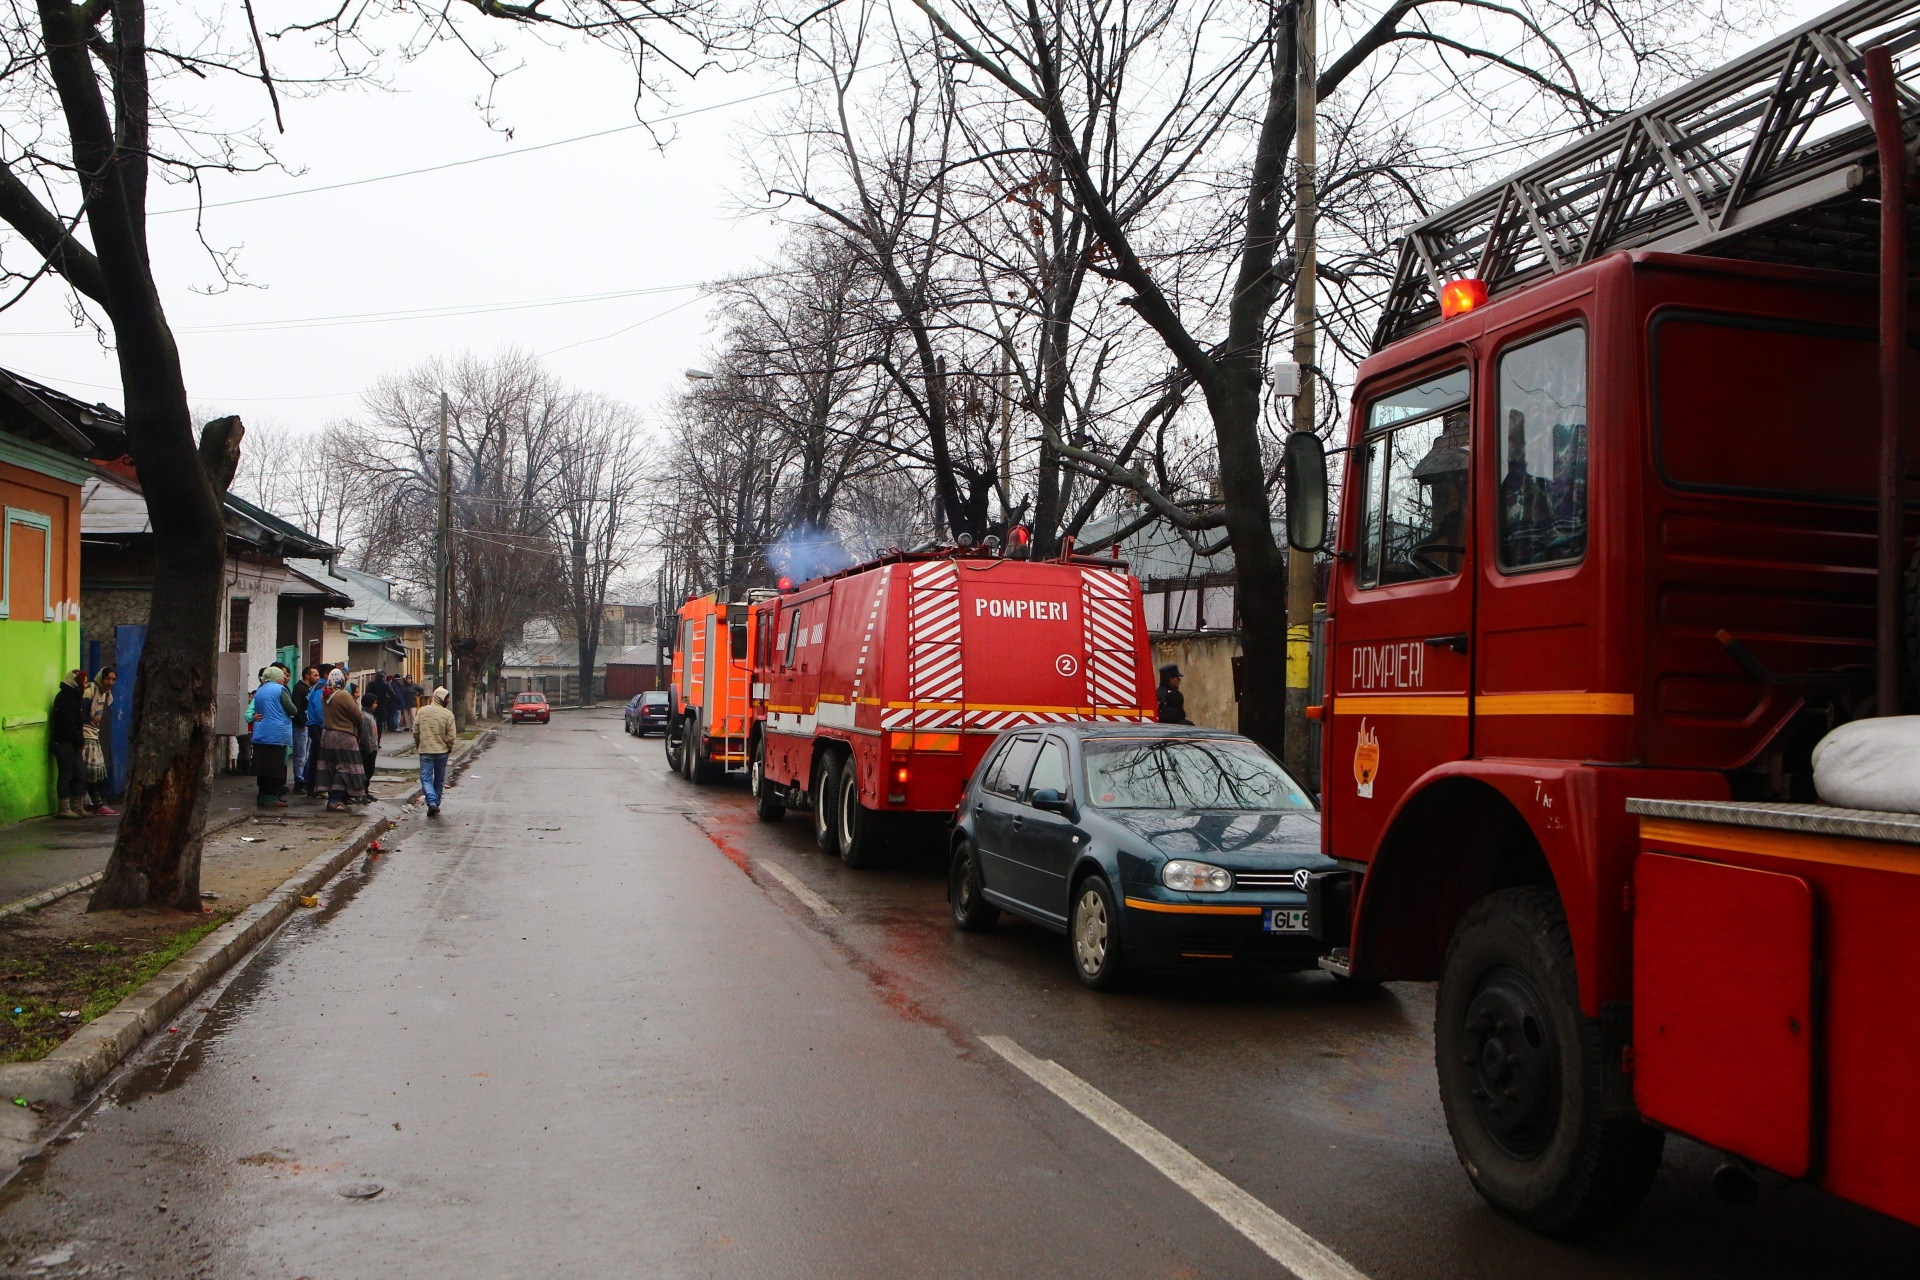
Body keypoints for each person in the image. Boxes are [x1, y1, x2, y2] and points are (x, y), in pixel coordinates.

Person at [313, 670, 369, 812]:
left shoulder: (325, 695)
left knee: (330, 767)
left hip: (327, 735)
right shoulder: (343, 695)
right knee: (345, 768)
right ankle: (335, 800)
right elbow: (357, 715)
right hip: (344, 736)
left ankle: (336, 797)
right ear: (342, 681)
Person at [247, 666, 296, 807]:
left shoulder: (260, 690)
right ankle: (271, 798)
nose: (284, 679)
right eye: (282, 676)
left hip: (261, 734)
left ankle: (263, 796)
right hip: (276, 735)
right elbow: (292, 709)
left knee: (263, 769)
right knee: (274, 768)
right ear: (276, 677)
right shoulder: (280, 690)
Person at [49, 669, 89, 819]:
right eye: (84, 682)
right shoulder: (67, 700)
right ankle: (65, 808)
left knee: (81, 773)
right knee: (66, 775)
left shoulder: (71, 698)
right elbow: (69, 726)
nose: (85, 686)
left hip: (70, 743)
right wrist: (80, 740)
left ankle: (78, 807)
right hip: (64, 743)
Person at [414, 686, 456, 818]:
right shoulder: (448, 715)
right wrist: (449, 747)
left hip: (425, 750)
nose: (448, 700)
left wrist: (418, 744)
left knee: (425, 778)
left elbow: (415, 730)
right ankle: (435, 803)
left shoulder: (422, 711)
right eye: (447, 698)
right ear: (442, 699)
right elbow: (451, 736)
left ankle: (432, 803)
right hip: (442, 752)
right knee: (438, 780)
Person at [84, 667, 118, 816]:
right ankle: (97, 805)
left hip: (93, 735)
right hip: (86, 736)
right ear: (101, 678)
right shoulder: (90, 691)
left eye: (113, 679)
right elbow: (83, 714)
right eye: (107, 679)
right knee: (90, 772)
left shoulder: (105, 694)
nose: (110, 682)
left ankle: (97, 804)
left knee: (96, 773)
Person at [289, 665, 315, 792]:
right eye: (314, 675)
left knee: (305, 755)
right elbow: (296, 708)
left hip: (307, 725)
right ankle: (298, 781)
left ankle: (303, 779)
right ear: (307, 676)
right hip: (301, 726)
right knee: (300, 755)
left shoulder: (308, 689)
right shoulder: (300, 689)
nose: (317, 677)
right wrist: (302, 722)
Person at [304, 667, 329, 798]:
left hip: (315, 725)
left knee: (315, 756)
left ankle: (312, 786)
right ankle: (314, 786)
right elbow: (320, 708)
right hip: (317, 726)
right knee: (318, 757)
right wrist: (325, 723)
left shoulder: (320, 686)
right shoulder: (321, 687)